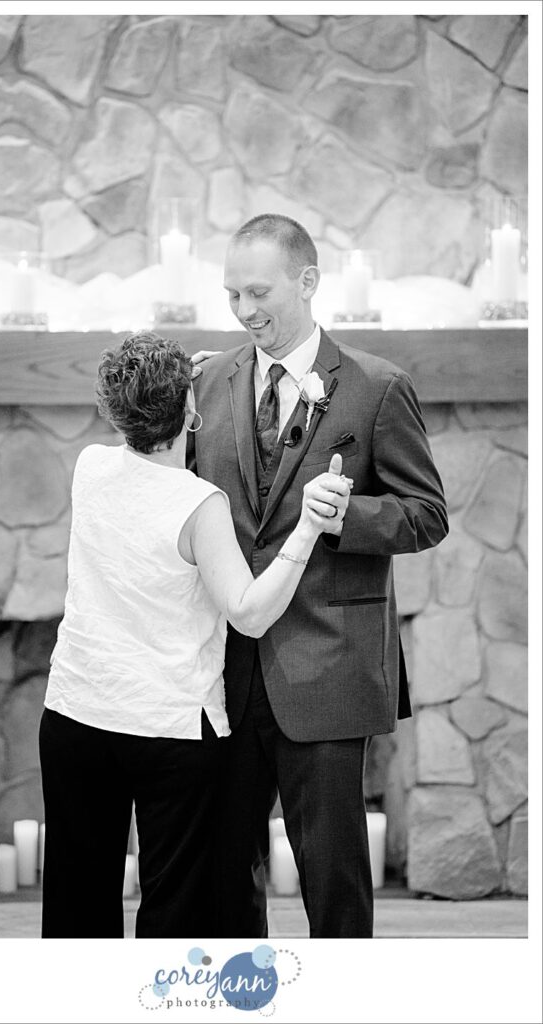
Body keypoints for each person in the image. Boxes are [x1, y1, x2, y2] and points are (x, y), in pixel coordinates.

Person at [38, 330, 351, 938]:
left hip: (75, 716)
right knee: (175, 905)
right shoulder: (200, 504)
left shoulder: (91, 467)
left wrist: (173, 385)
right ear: (191, 410)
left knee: (76, 900)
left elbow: (141, 429)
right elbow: (250, 612)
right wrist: (309, 528)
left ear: (113, 410)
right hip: (169, 733)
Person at [188, 214, 448, 938]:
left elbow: (426, 514)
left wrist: (345, 516)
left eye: (258, 291)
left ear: (306, 282)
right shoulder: (206, 383)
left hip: (328, 668)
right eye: (232, 294)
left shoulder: (375, 386)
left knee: (333, 885)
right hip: (225, 674)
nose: (244, 311)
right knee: (222, 879)